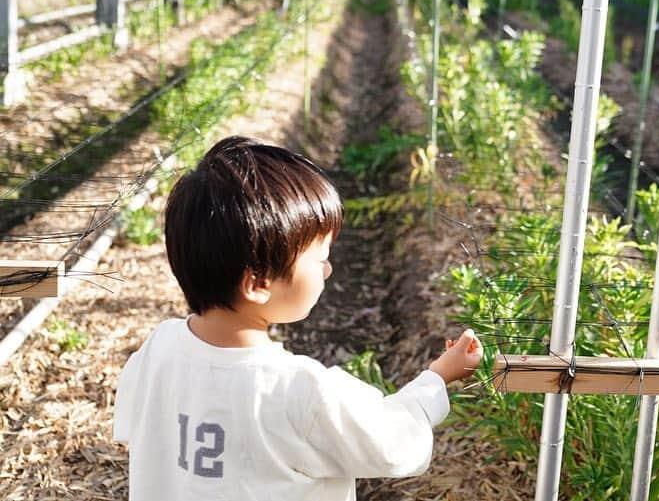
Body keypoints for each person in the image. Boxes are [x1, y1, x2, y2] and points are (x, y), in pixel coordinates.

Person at [114, 136, 482, 501]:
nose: (328, 269)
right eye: (319, 257)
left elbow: (133, 427)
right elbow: (394, 444)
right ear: (257, 283)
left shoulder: (158, 349)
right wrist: (435, 380)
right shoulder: (300, 390)